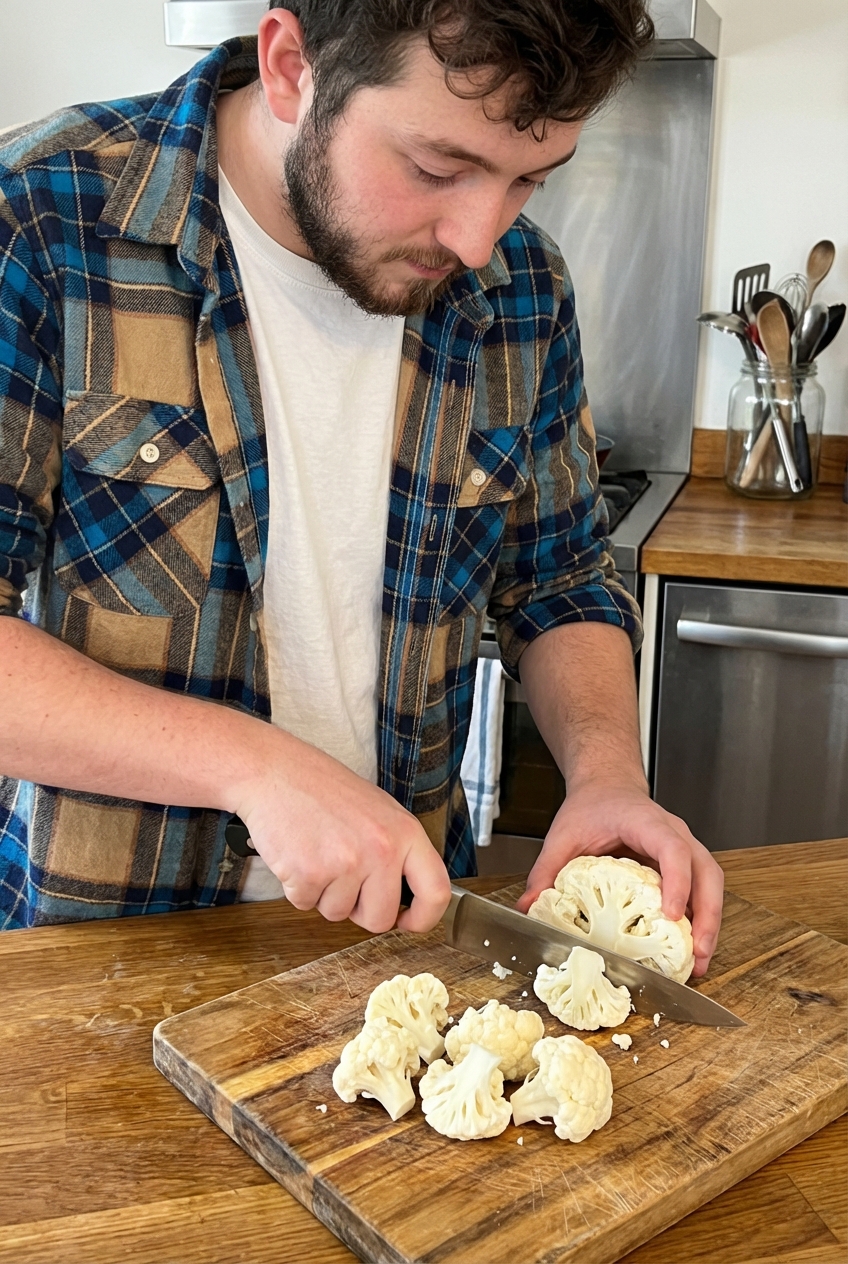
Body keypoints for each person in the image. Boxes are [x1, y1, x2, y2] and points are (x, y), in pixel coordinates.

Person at [0, 0, 724, 973]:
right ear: (292, 65)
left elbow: (558, 580)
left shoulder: (520, 283)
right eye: (435, 168)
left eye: (526, 181)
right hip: (101, 952)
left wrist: (604, 776)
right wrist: (252, 767)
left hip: (404, 945)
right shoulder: (42, 219)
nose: (476, 237)